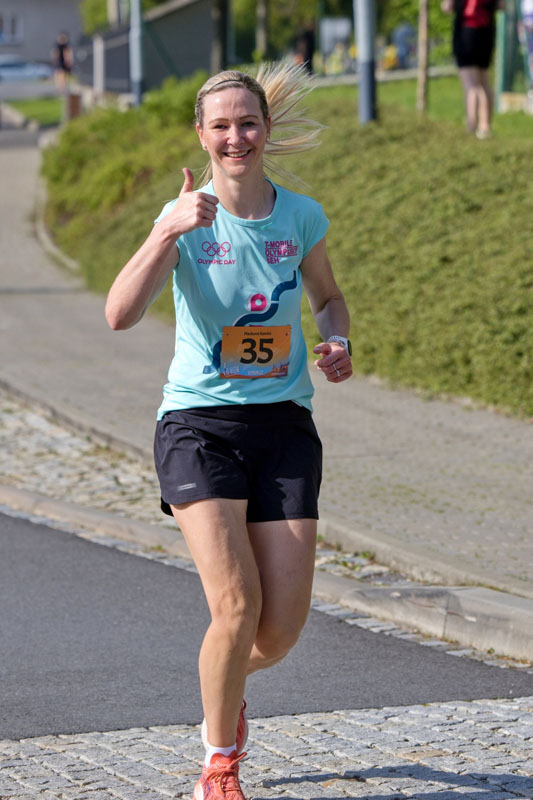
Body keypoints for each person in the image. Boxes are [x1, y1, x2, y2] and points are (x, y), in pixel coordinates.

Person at [105, 61, 352, 800]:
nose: (235, 137)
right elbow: (118, 314)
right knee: (236, 607)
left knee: (277, 633)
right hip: (198, 425)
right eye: (221, 126)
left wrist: (337, 339)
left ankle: (225, 688)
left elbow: (328, 298)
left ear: (266, 128)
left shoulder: (300, 216)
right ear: (201, 134)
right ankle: (218, 764)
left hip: (283, 427)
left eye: (247, 123)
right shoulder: (183, 217)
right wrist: (167, 230)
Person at [442, 0, 503, 137]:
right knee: (484, 81)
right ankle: (485, 126)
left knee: (471, 85)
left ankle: (472, 126)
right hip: (486, 33)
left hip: (466, 33)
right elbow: (501, 6)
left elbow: (447, 7)